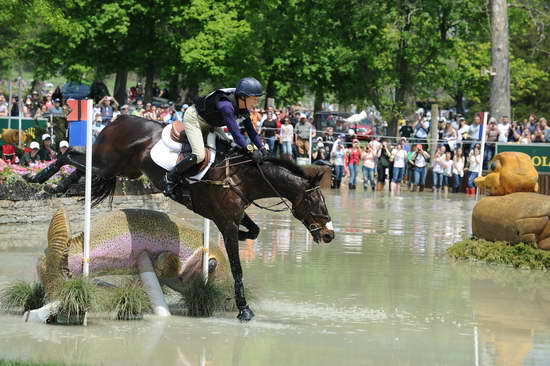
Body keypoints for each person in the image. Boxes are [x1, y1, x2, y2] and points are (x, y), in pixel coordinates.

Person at [163, 77, 267, 199]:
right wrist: (251, 150)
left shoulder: (243, 105)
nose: (256, 101)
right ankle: (170, 178)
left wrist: (262, 147)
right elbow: (236, 134)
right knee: (199, 155)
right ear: (243, 97)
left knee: (231, 146)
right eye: (254, 98)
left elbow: (251, 131)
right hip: (194, 119)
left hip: (211, 123)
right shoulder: (226, 106)